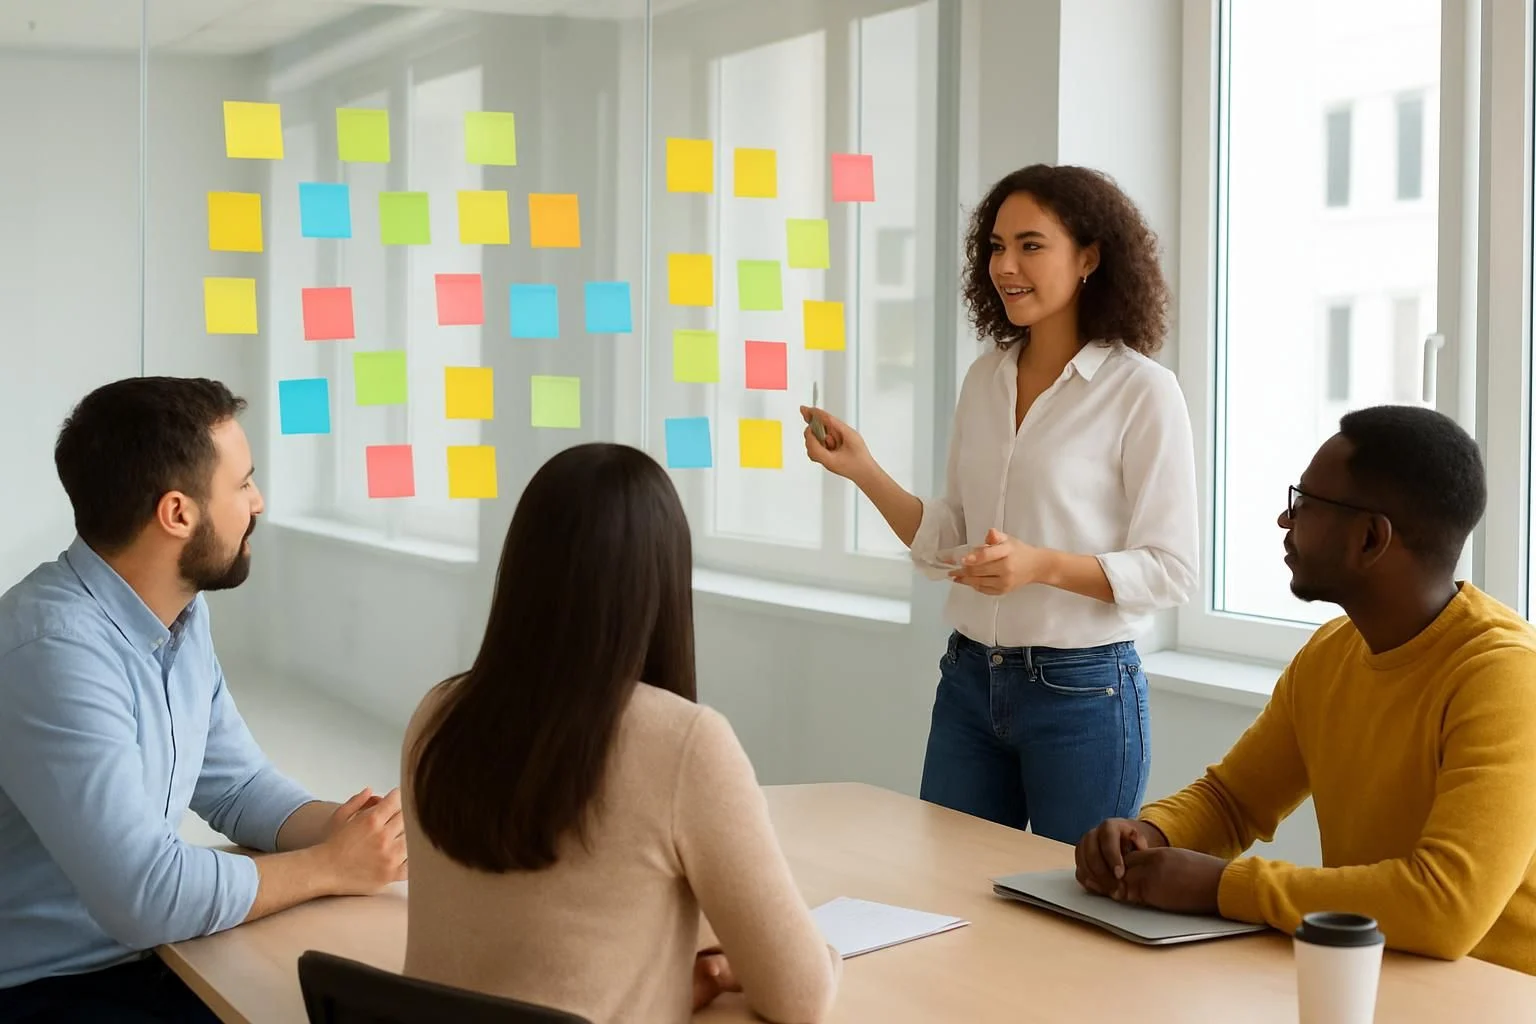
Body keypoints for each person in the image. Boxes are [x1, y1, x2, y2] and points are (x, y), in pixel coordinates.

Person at [800, 164, 1198, 843]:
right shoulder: (986, 377)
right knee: (950, 902)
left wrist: (1040, 565)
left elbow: (1170, 568)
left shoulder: (1143, 391)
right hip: (969, 681)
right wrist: (863, 470)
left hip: (1083, 694)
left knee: (1078, 917)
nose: (1005, 265)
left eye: (1030, 245)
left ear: (1090, 258)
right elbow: (950, 536)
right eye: (995, 246)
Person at [0, 377, 409, 1021]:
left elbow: (237, 786)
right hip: (46, 986)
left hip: (145, 954)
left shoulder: (178, 617)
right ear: (178, 514)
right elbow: (146, 894)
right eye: (243, 483)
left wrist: (354, 829)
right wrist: (331, 866)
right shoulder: (50, 651)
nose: (259, 501)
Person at [1075, 406, 1536, 974]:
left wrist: (1222, 886)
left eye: (1304, 504)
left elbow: (1445, 907)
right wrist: (1150, 834)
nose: (1283, 520)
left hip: (1492, 994)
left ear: (1371, 538)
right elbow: (1233, 801)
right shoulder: (1332, 651)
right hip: (1371, 975)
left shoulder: (1505, 676)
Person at [402, 443, 839, 1024]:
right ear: (661, 582)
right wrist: (822, 953)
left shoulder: (437, 714)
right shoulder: (685, 743)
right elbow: (800, 998)